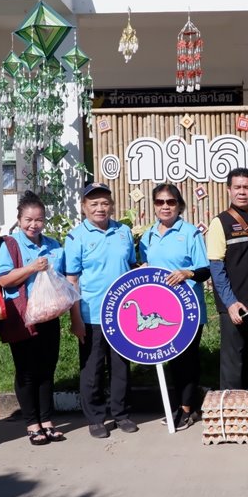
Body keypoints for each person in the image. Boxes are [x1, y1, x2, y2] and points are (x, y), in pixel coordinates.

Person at [66, 183, 139, 439]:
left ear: (112, 206)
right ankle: (96, 418)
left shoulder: (124, 232)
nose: (100, 208)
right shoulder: (76, 237)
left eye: (105, 203)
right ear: (84, 207)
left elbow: (131, 268)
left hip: (122, 314)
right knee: (92, 369)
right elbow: (72, 280)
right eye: (94, 203)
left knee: (121, 367)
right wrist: (75, 318)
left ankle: (121, 414)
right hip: (92, 313)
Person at [138, 184, 210, 431]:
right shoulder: (147, 236)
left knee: (187, 360)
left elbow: (205, 270)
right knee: (172, 359)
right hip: (160, 310)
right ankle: (180, 406)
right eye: (160, 202)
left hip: (188, 309)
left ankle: (187, 409)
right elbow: (145, 267)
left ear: (179, 205)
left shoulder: (190, 233)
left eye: (171, 202)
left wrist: (186, 273)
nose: (165, 206)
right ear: (154, 205)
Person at [0, 191, 66, 446]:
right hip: (23, 316)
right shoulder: (10, 245)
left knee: (47, 369)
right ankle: (32, 423)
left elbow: (62, 277)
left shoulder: (53, 245)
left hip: (49, 314)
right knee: (26, 371)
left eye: (38, 220)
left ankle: (47, 420)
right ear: (19, 219)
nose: (33, 225)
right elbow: (4, 280)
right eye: (28, 219)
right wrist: (31, 268)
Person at [206, 168, 248, 404]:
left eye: (247, 187)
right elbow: (216, 267)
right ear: (229, 190)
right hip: (234, 303)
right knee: (234, 360)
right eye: (237, 187)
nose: (242, 192)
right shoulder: (220, 222)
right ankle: (231, 410)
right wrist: (230, 302)